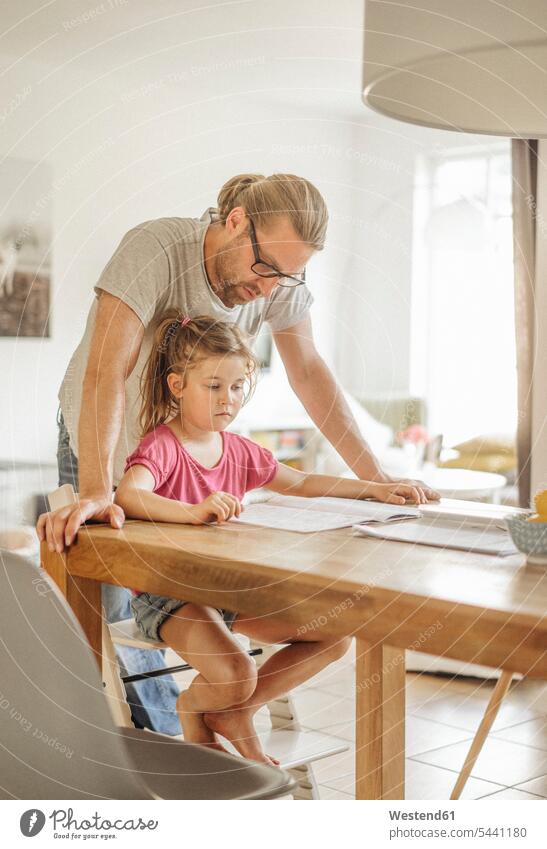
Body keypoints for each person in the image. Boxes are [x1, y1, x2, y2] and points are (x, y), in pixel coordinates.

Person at [37, 172, 439, 734]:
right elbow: (109, 367)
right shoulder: (156, 248)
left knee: (201, 591)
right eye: (266, 268)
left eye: (290, 276)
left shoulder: (280, 281)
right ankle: (158, 747)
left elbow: (308, 371)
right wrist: (99, 489)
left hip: (194, 453)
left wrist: (374, 476)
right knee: (114, 605)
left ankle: (216, 720)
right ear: (235, 222)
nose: (271, 289)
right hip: (110, 441)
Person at [114, 312, 426, 763]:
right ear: (177, 386)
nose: (228, 399)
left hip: (225, 589)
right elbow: (129, 494)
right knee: (235, 671)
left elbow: (300, 483)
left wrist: (374, 487)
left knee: (335, 634)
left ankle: (239, 713)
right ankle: (192, 707)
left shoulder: (238, 450)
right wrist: (192, 511)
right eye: (214, 386)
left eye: (237, 386)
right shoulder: (163, 445)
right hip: (168, 593)